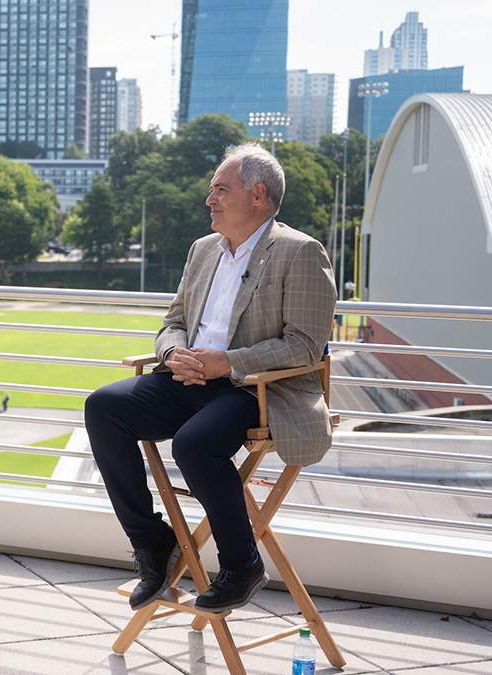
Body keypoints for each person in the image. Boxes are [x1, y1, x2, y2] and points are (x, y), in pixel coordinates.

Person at [85, 143, 336, 612]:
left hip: (256, 387)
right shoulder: (203, 250)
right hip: (189, 379)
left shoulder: (302, 252)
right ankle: (153, 542)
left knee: (195, 445)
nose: (210, 200)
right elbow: (173, 320)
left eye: (220, 189)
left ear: (257, 195)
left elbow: (303, 346)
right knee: (103, 407)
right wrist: (172, 351)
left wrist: (230, 362)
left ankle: (242, 566)